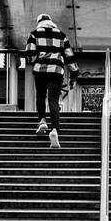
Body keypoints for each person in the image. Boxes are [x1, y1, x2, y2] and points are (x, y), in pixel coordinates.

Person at [24, 11, 77, 149]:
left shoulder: (34, 33)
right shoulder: (61, 35)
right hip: (56, 71)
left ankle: (42, 120)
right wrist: (74, 72)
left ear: (39, 21)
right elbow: (69, 56)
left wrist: (37, 60)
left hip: (40, 70)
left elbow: (29, 53)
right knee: (53, 100)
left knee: (40, 96)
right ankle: (54, 129)